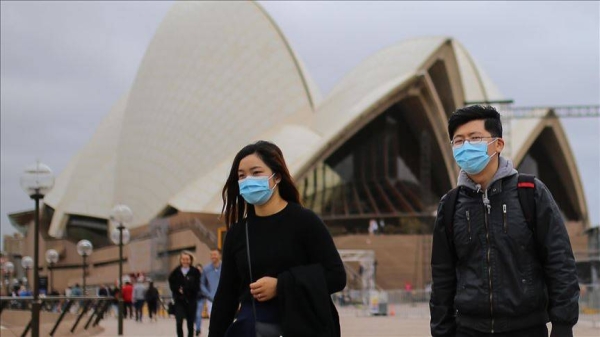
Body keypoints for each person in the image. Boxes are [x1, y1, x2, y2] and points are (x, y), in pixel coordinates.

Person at [429, 105, 579, 337]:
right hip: (468, 330)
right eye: (458, 141)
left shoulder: (531, 193)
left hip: (526, 329)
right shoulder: (450, 205)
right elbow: (442, 276)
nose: (466, 146)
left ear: (498, 144)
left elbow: (560, 260)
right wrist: (441, 330)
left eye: (475, 137)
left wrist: (563, 324)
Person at [208, 140, 346, 337]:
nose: (248, 180)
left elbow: (336, 276)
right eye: (242, 176)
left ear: (277, 176)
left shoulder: (305, 221)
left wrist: (281, 285)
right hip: (253, 328)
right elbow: (226, 296)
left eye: (256, 173)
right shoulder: (237, 233)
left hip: (303, 326)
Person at [169, 251, 201, 337]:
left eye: (187, 259)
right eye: (183, 259)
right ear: (180, 260)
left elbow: (197, 286)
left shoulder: (195, 272)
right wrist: (177, 289)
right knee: (179, 321)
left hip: (191, 300)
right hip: (179, 300)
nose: (185, 261)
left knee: (190, 323)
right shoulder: (175, 272)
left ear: (191, 260)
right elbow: (172, 284)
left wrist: (186, 289)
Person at [201, 250, 222, 318]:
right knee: (213, 319)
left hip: (224, 298)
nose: (213, 256)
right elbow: (201, 283)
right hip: (211, 299)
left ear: (220, 255)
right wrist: (208, 294)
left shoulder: (226, 267)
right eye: (211, 255)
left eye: (215, 254)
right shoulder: (206, 269)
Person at [195, 263, 205, 335]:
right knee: (194, 315)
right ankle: (196, 327)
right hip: (193, 299)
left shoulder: (203, 278)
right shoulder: (193, 278)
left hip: (201, 298)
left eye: (199, 270)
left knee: (198, 314)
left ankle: (198, 329)